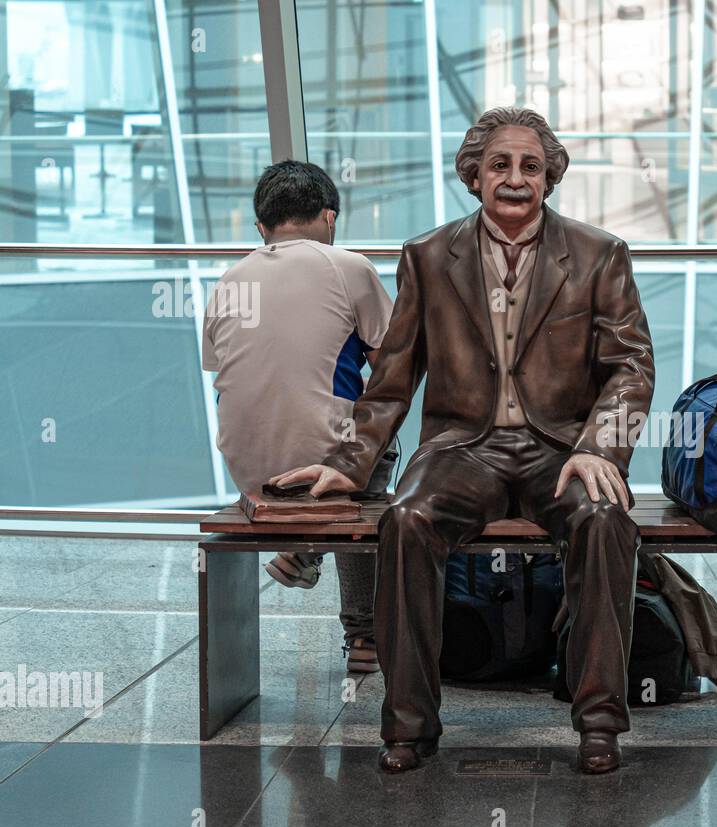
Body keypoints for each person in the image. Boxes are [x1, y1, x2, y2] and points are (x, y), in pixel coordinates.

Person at [272, 108, 655, 775]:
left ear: (549, 179)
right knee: (408, 520)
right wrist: (349, 466)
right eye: (501, 165)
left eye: (531, 166)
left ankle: (599, 725)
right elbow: (391, 379)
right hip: (461, 449)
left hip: (563, 448)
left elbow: (632, 366)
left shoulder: (600, 255)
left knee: (602, 520)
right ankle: (409, 726)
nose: (515, 178)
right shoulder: (427, 257)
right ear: (474, 175)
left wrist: (601, 448)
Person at [201, 160, 398, 674]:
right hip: (321, 464)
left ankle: (307, 550)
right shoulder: (349, 266)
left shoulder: (229, 278)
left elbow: (228, 372)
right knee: (376, 448)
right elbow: (393, 369)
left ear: (261, 228)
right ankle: (363, 635)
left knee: (340, 431)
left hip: (246, 465)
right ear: (331, 219)